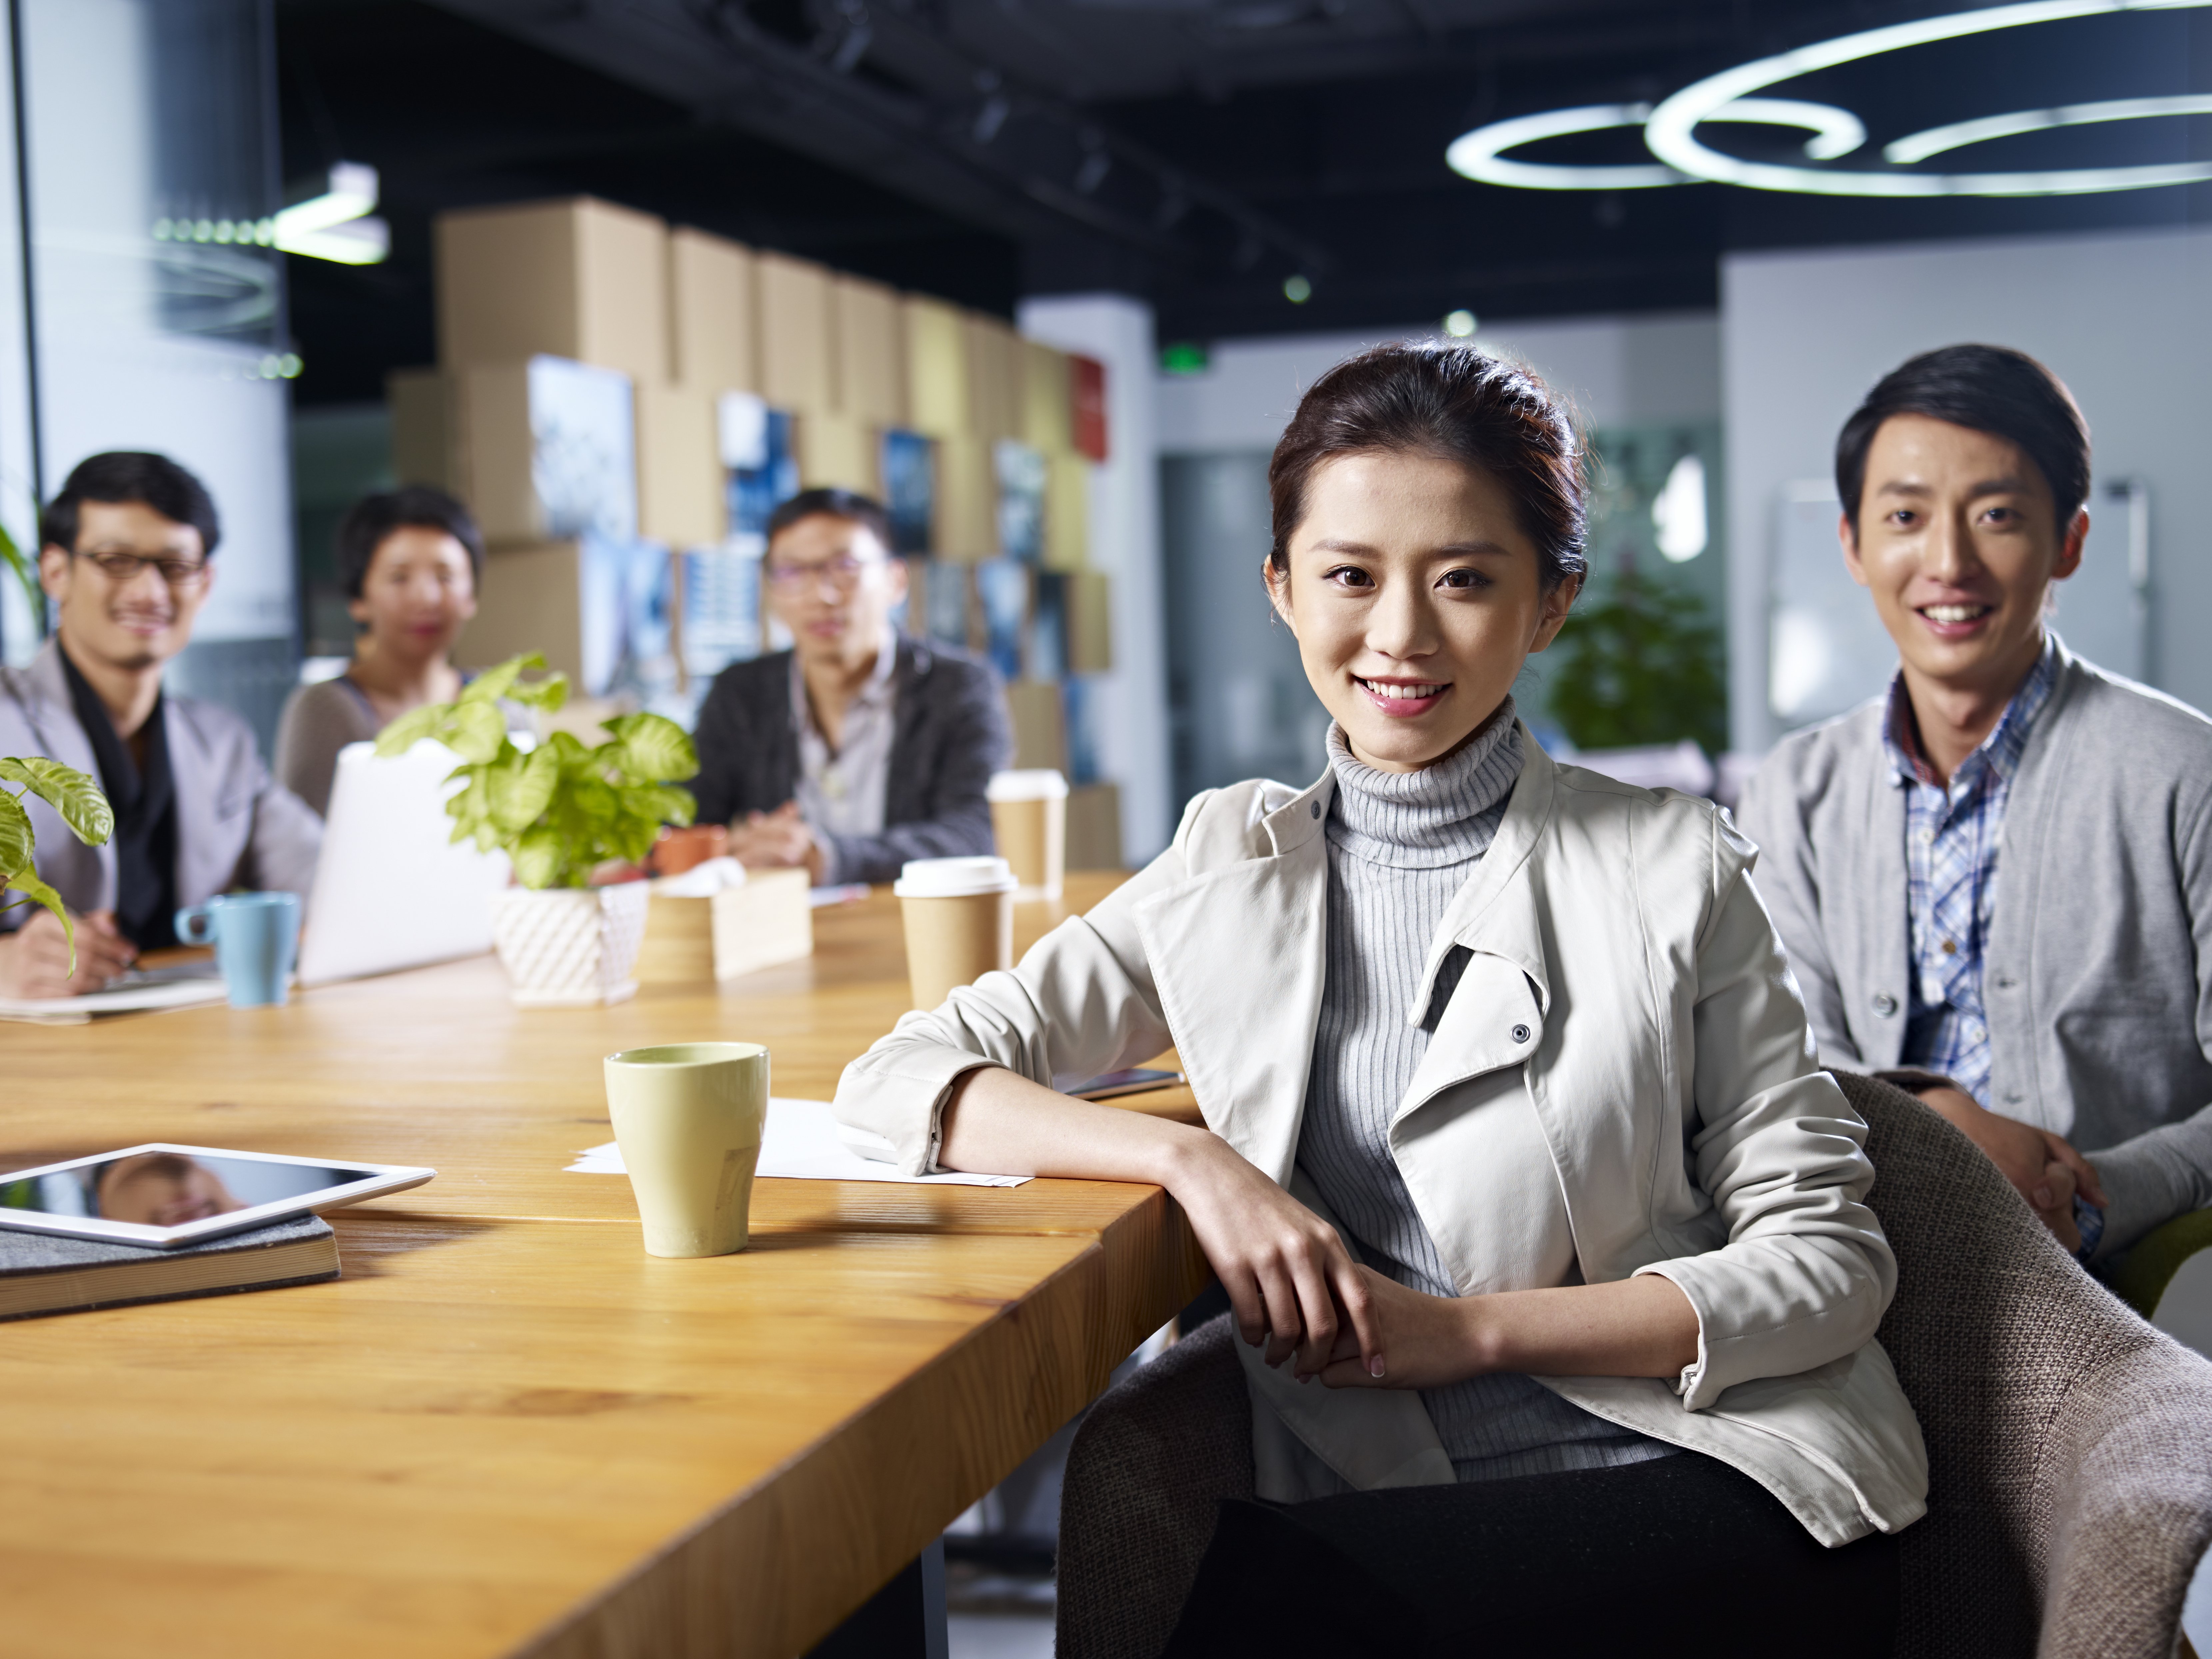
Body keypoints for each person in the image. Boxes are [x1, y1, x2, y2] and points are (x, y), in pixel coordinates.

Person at [834, 343, 1925, 1650]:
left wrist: (1466, 1332)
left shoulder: (1671, 864)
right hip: (1393, 1492)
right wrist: (1189, 1160)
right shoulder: (1224, 861)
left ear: (1550, 600)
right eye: (1350, 575)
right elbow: (901, 1077)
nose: (1399, 634)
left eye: (1464, 578)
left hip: (1710, 1471)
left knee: (1279, 1607)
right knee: (1294, 1588)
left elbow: (1830, 1260)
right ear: (1282, 588)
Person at [1739, 345, 2212, 1270]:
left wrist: (2087, 1194)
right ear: (1852, 544)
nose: (1947, 562)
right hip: (1856, 1264)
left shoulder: (2184, 775)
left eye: (1995, 516)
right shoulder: (1790, 793)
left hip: (2121, 1277)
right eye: (1905, 517)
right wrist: (1934, 1117)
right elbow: (1772, 1067)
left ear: (2067, 541)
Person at [0, 452, 321, 999]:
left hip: (187, 1037)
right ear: (56, 571)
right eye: (116, 559)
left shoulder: (222, 742)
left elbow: (326, 880)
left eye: (175, 566)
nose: (150, 591)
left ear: (205, 582)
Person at [690, 487, 1010, 886]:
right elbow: (690, 819)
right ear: (772, 592)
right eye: (792, 573)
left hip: (911, 926)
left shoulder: (958, 686)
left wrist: (830, 859)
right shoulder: (741, 691)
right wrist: (736, 845)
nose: (821, 595)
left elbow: (974, 834)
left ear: (896, 581)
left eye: (845, 567)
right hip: (774, 931)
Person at [274, 485, 483, 817]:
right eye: (399, 578)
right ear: (358, 598)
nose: (426, 598)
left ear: (471, 594)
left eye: (445, 576)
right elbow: (303, 848)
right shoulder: (327, 710)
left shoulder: (502, 706)